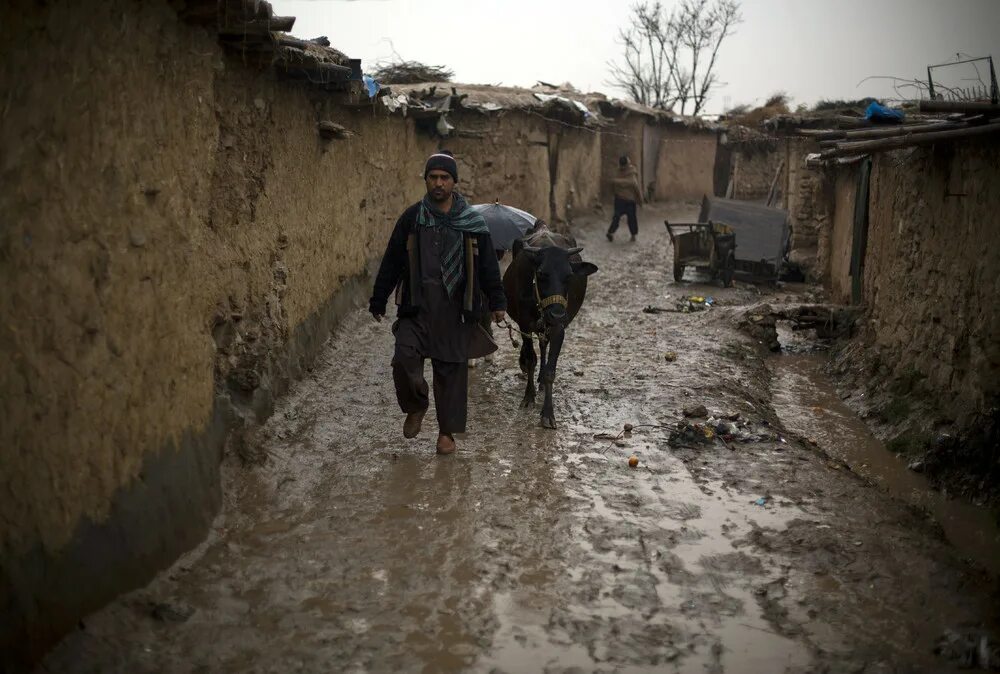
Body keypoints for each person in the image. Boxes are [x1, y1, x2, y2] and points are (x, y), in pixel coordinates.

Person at [369, 151, 507, 455]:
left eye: (445, 177)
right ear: (426, 180)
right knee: (404, 358)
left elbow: (487, 267)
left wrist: (497, 302)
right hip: (417, 307)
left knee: (451, 373)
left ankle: (447, 434)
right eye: (433, 177)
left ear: (454, 182)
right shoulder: (412, 218)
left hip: (455, 310)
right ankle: (416, 406)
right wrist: (379, 298)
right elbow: (392, 259)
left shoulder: (472, 222)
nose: (439, 183)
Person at [606, 154, 644, 243]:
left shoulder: (631, 172)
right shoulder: (618, 172)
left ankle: (633, 235)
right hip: (620, 200)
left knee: (631, 218)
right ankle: (610, 233)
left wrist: (640, 200)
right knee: (616, 217)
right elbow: (612, 184)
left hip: (630, 201)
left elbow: (634, 186)